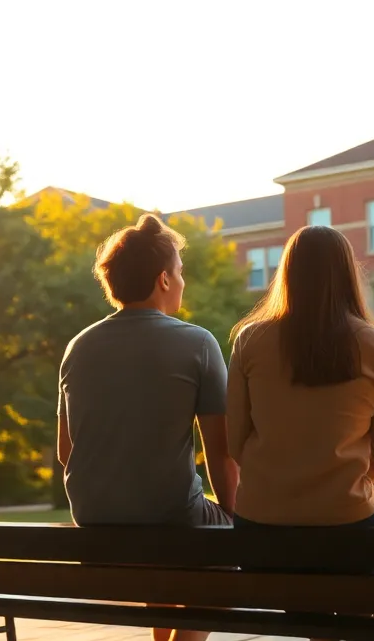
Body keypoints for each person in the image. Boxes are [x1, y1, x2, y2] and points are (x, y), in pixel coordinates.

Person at [58, 214, 239, 641]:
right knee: (233, 568)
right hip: (172, 518)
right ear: (162, 279)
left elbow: (67, 452)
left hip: (95, 520)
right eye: (179, 272)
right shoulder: (197, 342)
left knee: (164, 544)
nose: (181, 282)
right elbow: (221, 450)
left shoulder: (78, 347)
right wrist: (232, 517)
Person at [226, 225, 374, 529]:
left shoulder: (250, 341)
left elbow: (236, 443)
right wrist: (337, 485)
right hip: (348, 517)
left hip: (261, 519)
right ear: (348, 273)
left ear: (287, 273)